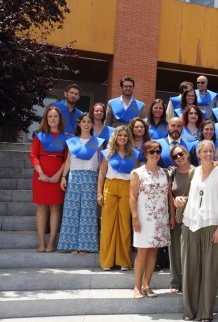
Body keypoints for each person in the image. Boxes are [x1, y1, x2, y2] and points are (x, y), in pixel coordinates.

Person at [177, 140, 218, 322]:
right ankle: (189, 311)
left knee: (209, 271)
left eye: (210, 151)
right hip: (190, 224)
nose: (207, 154)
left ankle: (206, 312)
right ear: (198, 153)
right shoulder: (193, 171)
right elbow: (188, 196)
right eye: (204, 151)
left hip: (211, 225)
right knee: (190, 269)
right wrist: (179, 201)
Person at [130, 141, 174, 298]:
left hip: (161, 218)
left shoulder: (164, 173)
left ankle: (147, 285)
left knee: (154, 251)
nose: (155, 154)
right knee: (142, 251)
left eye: (158, 151)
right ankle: (137, 287)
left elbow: (169, 195)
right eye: (152, 151)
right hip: (144, 218)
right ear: (145, 153)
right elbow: (132, 197)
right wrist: (135, 217)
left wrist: (172, 215)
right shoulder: (138, 173)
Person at [58, 113, 104, 254]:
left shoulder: (97, 142)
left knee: (88, 212)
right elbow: (68, 160)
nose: (86, 124)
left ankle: (86, 245)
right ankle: (70, 244)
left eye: (89, 121)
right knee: (71, 211)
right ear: (79, 123)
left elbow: (101, 163)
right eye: (83, 121)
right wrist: (64, 176)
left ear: (92, 124)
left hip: (91, 178)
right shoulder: (72, 141)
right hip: (74, 177)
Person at [97, 126, 139, 271]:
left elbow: (137, 175)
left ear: (128, 138)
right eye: (120, 135)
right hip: (110, 187)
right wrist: (99, 193)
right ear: (115, 137)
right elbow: (102, 174)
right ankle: (106, 262)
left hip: (127, 188)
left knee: (124, 226)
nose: (122, 138)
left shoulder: (133, 154)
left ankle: (123, 261)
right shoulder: (108, 153)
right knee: (107, 225)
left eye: (125, 136)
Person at [30, 106, 68, 252]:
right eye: (50, 116)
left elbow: (67, 158)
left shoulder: (66, 137)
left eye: (56, 116)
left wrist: (59, 174)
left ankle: (52, 242)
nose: (53, 119)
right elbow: (33, 155)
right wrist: (41, 173)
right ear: (46, 118)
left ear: (60, 119)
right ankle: (41, 242)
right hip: (41, 176)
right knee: (41, 207)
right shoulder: (39, 135)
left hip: (58, 176)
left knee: (55, 207)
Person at [167, 145, 193, 295]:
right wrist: (171, 215)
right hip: (177, 217)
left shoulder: (197, 171)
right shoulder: (172, 173)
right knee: (175, 250)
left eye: (181, 154)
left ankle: (190, 281)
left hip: (193, 217)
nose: (179, 157)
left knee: (191, 251)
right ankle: (175, 281)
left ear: (187, 153)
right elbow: (170, 196)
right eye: (175, 156)